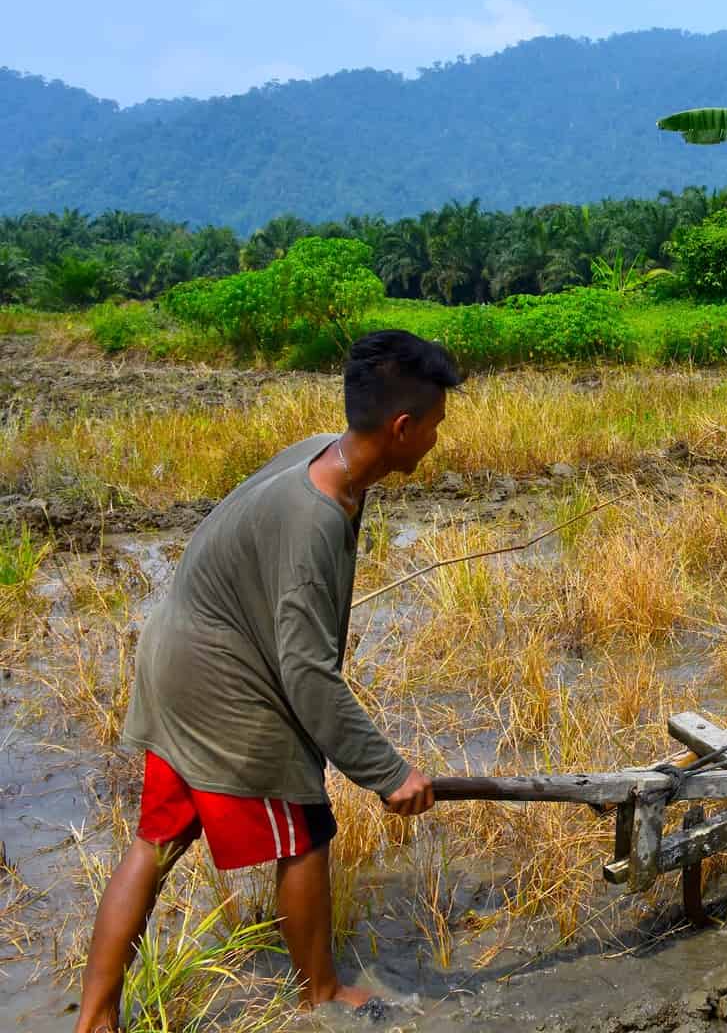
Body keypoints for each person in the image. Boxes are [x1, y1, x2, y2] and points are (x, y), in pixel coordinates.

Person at [73, 330, 463, 1032]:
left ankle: (94, 1020)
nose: (438, 438)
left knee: (157, 838)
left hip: (177, 660)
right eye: (434, 425)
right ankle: (320, 995)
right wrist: (388, 772)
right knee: (303, 827)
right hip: (223, 682)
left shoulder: (330, 455)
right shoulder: (314, 515)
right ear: (402, 428)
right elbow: (307, 674)